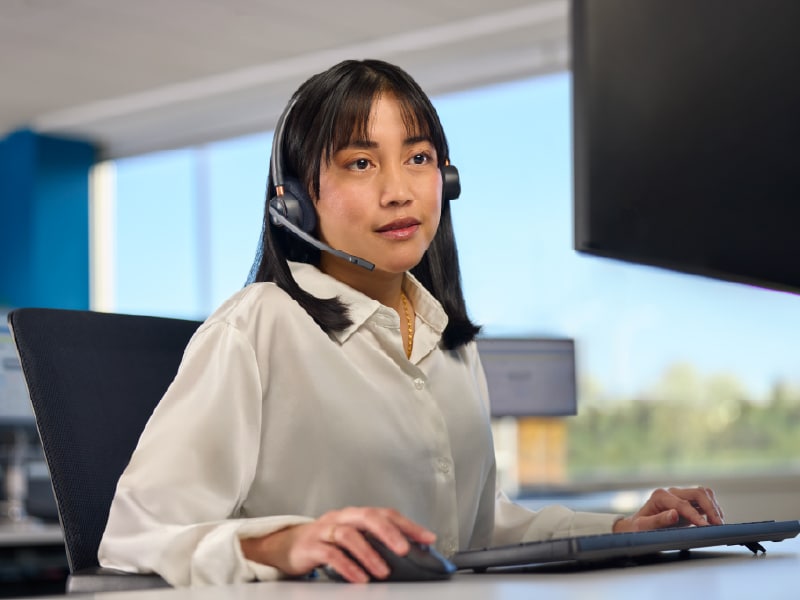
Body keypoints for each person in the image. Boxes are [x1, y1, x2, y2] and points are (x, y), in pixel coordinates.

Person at [98, 59, 724, 587]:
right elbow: (137, 534)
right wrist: (283, 545)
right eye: (361, 163)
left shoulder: (447, 342)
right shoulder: (258, 326)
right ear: (294, 199)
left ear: (444, 180)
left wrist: (623, 530)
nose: (399, 191)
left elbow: (478, 532)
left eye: (418, 158)